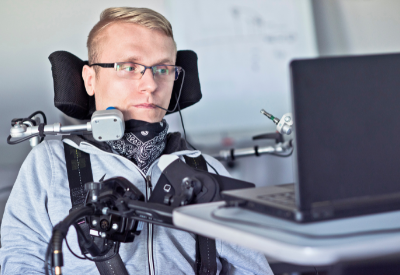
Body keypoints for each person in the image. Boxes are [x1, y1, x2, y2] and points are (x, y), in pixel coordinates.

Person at [0, 7, 273, 275]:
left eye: (163, 69)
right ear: (90, 79)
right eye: (129, 67)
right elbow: (21, 260)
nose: (151, 84)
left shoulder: (207, 171)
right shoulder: (49, 163)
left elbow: (253, 268)